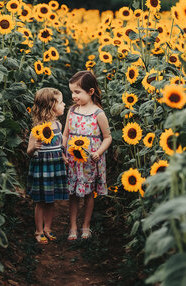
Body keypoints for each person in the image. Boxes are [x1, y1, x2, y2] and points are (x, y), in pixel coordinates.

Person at [62, 70, 112, 241]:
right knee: (73, 193)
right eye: (72, 92)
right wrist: (63, 151)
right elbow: (66, 134)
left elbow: (107, 137)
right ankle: (73, 227)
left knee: (89, 193)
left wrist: (98, 152)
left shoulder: (98, 114)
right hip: (73, 160)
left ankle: (86, 226)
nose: (73, 96)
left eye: (77, 92)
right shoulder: (72, 111)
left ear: (90, 92)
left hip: (91, 160)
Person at [27, 87, 68, 244]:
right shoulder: (36, 130)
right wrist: (34, 147)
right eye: (61, 102)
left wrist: (63, 157)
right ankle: (38, 231)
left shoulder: (58, 126)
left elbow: (59, 146)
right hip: (42, 167)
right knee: (40, 202)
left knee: (51, 200)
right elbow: (29, 152)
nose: (64, 104)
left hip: (55, 166)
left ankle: (48, 228)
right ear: (51, 106)